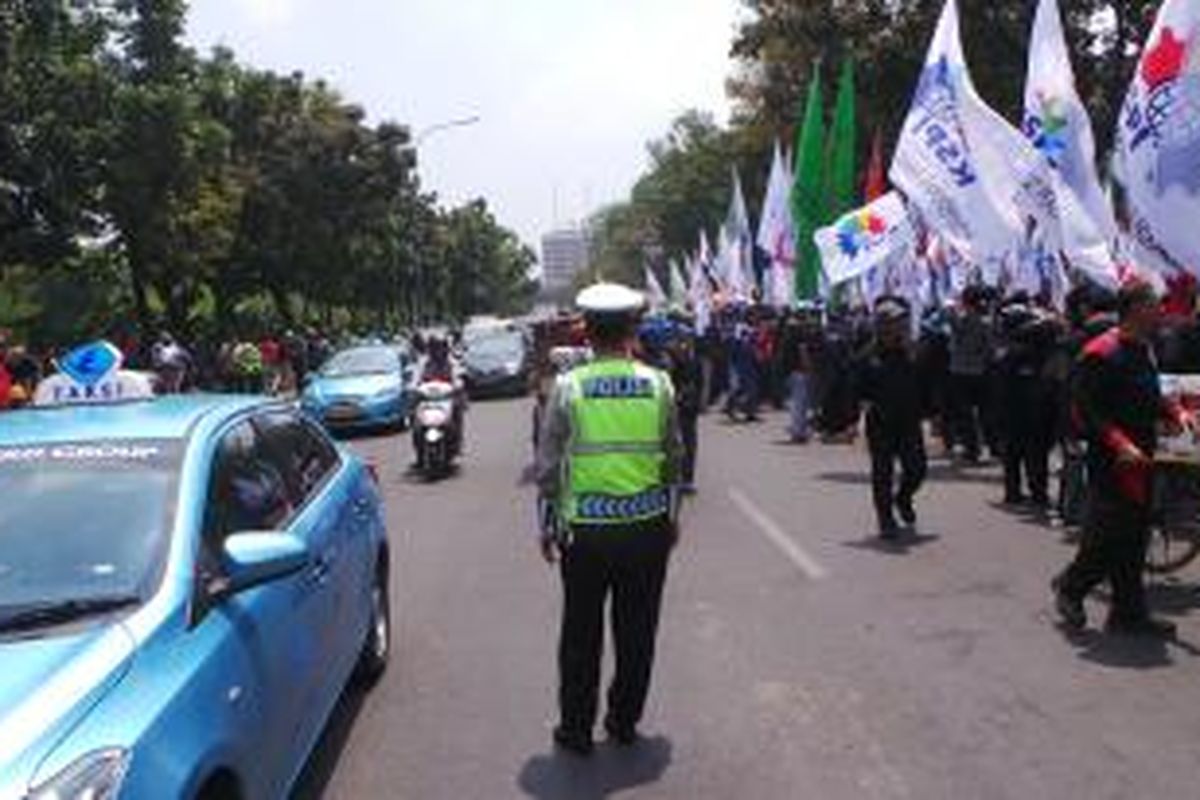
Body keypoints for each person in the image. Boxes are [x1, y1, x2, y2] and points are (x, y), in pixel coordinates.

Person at [535, 281, 683, 756]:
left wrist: (547, 524)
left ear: (587, 333)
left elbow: (549, 467)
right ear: (632, 330)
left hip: (586, 535)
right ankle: (623, 721)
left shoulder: (568, 387)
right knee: (637, 633)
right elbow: (674, 459)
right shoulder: (659, 384)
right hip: (647, 530)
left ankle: (576, 729)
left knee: (580, 634)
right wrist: (672, 516)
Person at [1053, 279, 1192, 638]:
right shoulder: (1100, 353)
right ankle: (1071, 587)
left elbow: (1152, 392)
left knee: (1135, 535)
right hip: (1112, 460)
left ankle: (1128, 613)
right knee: (1109, 535)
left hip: (1144, 453)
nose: (1161, 310)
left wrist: (1175, 413)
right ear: (1134, 309)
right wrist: (1119, 443)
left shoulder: (1144, 348)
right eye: (1153, 304)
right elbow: (1087, 412)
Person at [855, 296, 927, 539]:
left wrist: (933, 413)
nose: (899, 327)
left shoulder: (913, 351)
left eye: (901, 322)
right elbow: (855, 388)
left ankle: (903, 497)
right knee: (882, 473)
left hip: (909, 420)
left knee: (917, 469)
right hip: (881, 422)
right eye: (893, 322)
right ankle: (885, 520)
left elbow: (928, 381)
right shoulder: (868, 356)